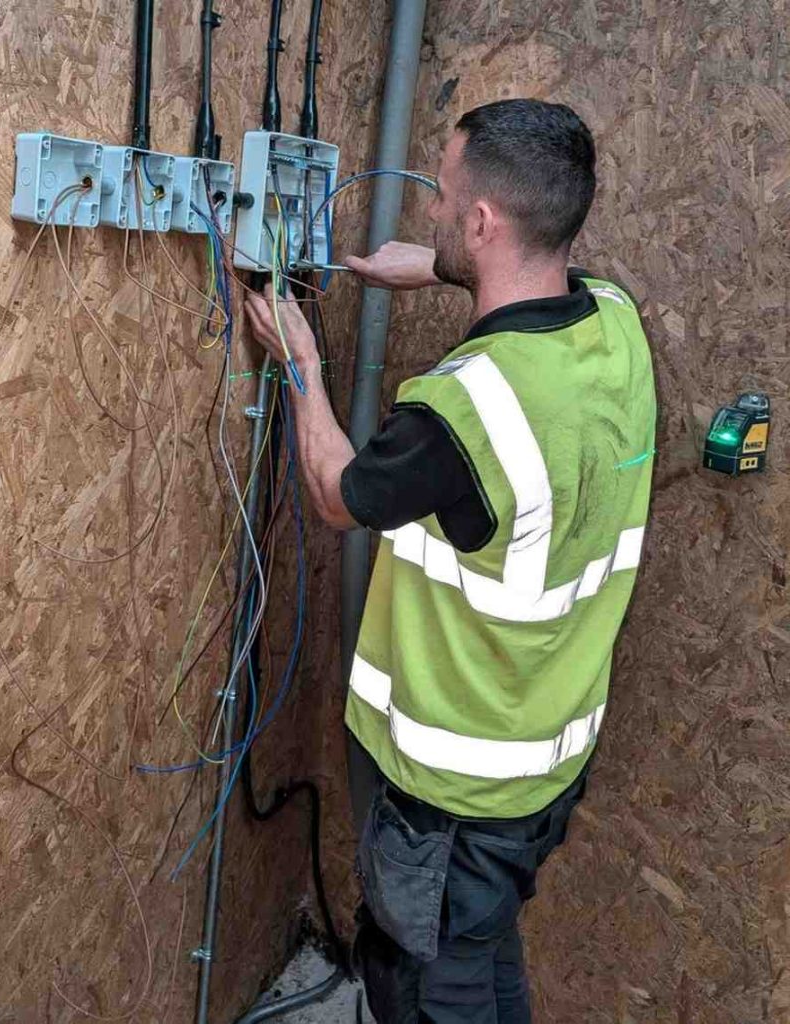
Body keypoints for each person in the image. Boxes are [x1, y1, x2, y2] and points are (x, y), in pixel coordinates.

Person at [245, 98, 656, 1024]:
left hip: (456, 796)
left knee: (431, 989)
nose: (430, 207)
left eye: (441, 194)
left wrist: (300, 359)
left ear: (483, 220)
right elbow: (545, 278)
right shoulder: (615, 327)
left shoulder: (464, 411)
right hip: (547, 761)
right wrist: (429, 269)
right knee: (483, 951)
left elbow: (336, 495)